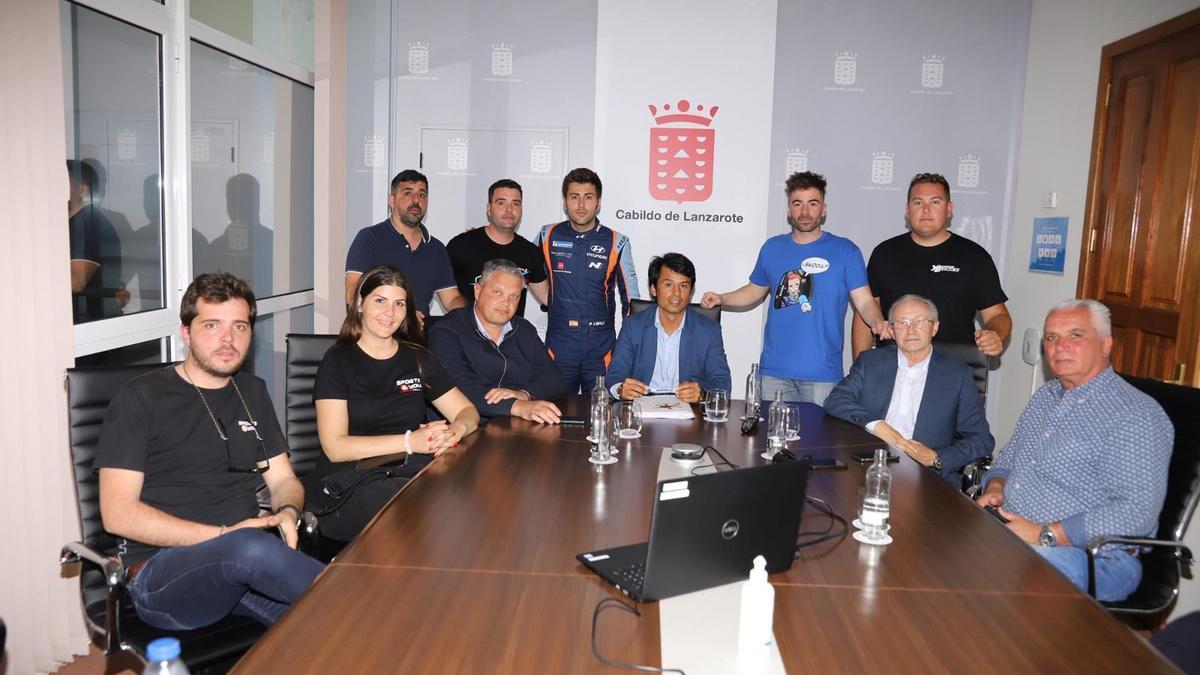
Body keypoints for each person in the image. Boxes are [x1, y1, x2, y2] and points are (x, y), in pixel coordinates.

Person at [95, 272, 323, 629]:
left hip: (240, 568)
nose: (228, 339)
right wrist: (225, 537)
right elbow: (117, 514)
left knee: (329, 628)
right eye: (212, 325)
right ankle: (370, 602)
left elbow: (283, 480)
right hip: (161, 575)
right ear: (186, 331)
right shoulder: (140, 398)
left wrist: (288, 510)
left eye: (240, 326)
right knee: (252, 549)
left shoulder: (253, 391)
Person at [976, 299, 1172, 601]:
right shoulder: (1046, 396)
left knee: (994, 581)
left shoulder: (1135, 414)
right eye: (1052, 337)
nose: (1060, 346)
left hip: (1095, 558)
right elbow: (1009, 456)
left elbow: (1137, 512)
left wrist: (1047, 534)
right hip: (1014, 530)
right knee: (939, 545)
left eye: (1076, 335)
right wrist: (997, 485)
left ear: (1106, 345)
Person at [313, 264, 479, 540]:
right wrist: (408, 442)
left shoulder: (417, 358)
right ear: (359, 303)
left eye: (399, 304)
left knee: (470, 493)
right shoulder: (337, 362)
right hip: (351, 482)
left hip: (408, 471)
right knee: (416, 512)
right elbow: (335, 447)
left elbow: (467, 411)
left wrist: (454, 432)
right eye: (380, 301)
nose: (390, 313)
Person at [700, 171, 889, 405]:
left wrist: (878, 321)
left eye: (813, 203)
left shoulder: (846, 251)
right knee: (772, 440)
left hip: (823, 376)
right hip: (773, 374)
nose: (805, 212)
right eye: (797, 204)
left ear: (824, 209)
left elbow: (866, 302)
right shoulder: (772, 248)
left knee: (819, 443)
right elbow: (754, 291)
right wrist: (722, 297)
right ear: (789, 210)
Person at [824, 295, 993, 483]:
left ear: (934, 327)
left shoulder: (957, 375)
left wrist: (935, 458)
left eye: (919, 321)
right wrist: (877, 426)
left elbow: (981, 439)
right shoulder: (871, 362)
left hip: (924, 475)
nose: (911, 330)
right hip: (869, 465)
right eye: (902, 323)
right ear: (891, 330)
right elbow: (836, 400)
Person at [851, 172, 1011, 359]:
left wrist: (995, 334)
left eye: (935, 202)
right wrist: (860, 370)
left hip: (954, 371)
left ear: (949, 209)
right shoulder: (884, 253)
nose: (926, 210)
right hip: (893, 370)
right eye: (918, 203)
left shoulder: (974, 257)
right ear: (907, 209)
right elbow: (865, 313)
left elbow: (997, 316)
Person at [534, 168, 640, 392]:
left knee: (604, 412)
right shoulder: (547, 235)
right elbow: (521, 271)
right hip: (560, 343)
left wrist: (627, 348)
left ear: (598, 202)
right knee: (554, 417)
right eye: (574, 197)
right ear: (565, 202)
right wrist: (548, 298)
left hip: (602, 345)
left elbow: (632, 302)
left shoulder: (617, 241)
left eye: (588, 198)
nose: (581, 205)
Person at [429, 259, 567, 423]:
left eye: (514, 296)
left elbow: (555, 378)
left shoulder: (523, 329)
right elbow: (460, 391)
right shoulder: (446, 331)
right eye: (497, 292)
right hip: (465, 429)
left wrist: (523, 394)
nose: (506, 303)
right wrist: (518, 406)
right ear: (477, 291)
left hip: (515, 427)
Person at [606, 252, 731, 403]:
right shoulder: (633, 325)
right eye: (668, 285)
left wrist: (703, 395)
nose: (676, 293)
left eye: (683, 286)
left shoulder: (709, 330)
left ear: (691, 292)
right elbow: (614, 376)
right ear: (654, 289)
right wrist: (620, 390)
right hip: (641, 412)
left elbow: (722, 382)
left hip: (689, 415)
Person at [344, 169, 466, 316]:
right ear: (392, 200)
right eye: (408, 193)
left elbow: (452, 299)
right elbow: (353, 295)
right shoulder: (369, 238)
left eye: (422, 195)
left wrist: (477, 312)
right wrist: (401, 316)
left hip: (419, 337)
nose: (416, 200)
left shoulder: (436, 249)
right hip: (377, 333)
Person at [446, 179, 549, 317]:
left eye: (515, 204)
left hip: (511, 336)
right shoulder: (461, 245)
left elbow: (548, 298)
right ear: (489, 208)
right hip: (466, 334)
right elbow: (444, 292)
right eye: (501, 203)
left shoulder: (530, 253)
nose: (509, 209)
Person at [67, 159, 126, 322]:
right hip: (87, 323)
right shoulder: (73, 222)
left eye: (64, 182)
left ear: (82, 190)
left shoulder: (87, 223)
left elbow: (76, 282)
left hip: (93, 328)